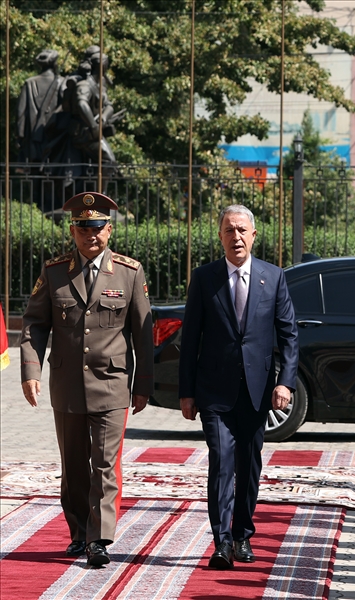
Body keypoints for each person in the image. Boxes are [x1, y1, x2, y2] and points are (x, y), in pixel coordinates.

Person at [19, 191, 153, 567]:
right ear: (73, 231)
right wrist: (31, 371)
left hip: (112, 384)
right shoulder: (55, 271)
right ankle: (79, 533)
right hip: (67, 386)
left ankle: (100, 539)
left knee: (105, 464)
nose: (90, 235)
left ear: (109, 230)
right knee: (74, 465)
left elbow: (143, 332)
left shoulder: (130, 272)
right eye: (82, 228)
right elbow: (33, 325)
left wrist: (143, 385)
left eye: (96, 227)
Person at [178, 204, 299, 570]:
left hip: (258, 390)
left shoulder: (273, 277)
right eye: (229, 230)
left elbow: (289, 334)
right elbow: (191, 338)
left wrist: (286, 383)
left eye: (242, 230)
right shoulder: (204, 278)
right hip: (214, 391)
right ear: (220, 236)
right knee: (221, 462)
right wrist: (187, 391)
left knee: (248, 466)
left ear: (254, 235)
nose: (236, 237)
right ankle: (221, 541)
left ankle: (243, 535)